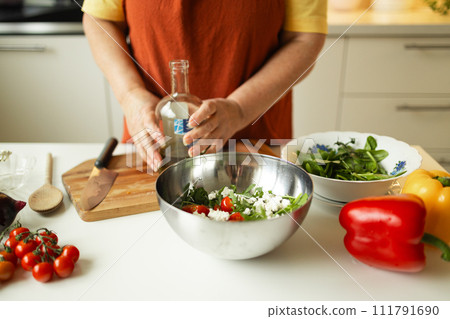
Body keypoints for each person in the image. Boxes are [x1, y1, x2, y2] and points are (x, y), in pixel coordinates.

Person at [82, 0, 327, 172]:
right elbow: (99, 19)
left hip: (254, 135)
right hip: (154, 137)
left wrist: (240, 109)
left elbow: (304, 38)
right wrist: (130, 95)